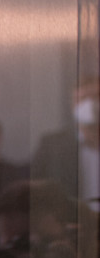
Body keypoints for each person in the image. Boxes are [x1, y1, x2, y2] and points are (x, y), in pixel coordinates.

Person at [32, 77, 100, 210]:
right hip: (72, 225)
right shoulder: (52, 145)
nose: (90, 104)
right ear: (73, 105)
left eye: (96, 97)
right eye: (83, 99)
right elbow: (36, 187)